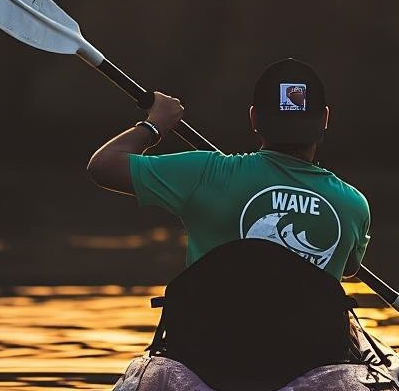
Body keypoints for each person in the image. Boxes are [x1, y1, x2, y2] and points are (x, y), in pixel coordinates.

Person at [86, 58, 370, 280]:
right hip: (311, 348)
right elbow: (348, 269)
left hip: (212, 345)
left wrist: (156, 123)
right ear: (325, 119)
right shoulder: (353, 205)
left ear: (253, 118)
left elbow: (103, 165)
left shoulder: (205, 173)